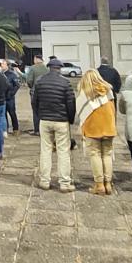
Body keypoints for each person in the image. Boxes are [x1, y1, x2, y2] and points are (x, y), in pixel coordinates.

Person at [31, 57, 76, 192]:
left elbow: (34, 101)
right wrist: (70, 119)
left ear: (49, 68)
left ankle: (44, 180)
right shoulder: (65, 83)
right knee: (63, 151)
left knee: (45, 150)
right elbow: (70, 103)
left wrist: (39, 115)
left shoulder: (40, 82)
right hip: (61, 120)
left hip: (45, 120)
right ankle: (64, 182)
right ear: (60, 68)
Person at [76, 69, 116, 195]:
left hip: (93, 128)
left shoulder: (84, 94)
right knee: (107, 154)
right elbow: (113, 110)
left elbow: (81, 113)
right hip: (108, 127)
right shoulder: (108, 91)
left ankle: (99, 185)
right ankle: (108, 183)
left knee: (95, 154)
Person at [24, 55, 47, 135]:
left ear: (37, 59)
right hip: (45, 92)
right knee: (43, 111)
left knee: (35, 111)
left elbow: (29, 80)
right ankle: (43, 130)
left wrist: (31, 87)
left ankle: (37, 130)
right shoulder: (46, 68)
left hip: (35, 92)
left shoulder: (33, 68)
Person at [0, 59, 22, 134]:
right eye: (1, 64)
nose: (1, 65)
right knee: (3, 114)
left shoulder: (12, 74)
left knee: (12, 113)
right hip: (2, 98)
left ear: (7, 65)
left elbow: (17, 85)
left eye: (3, 64)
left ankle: (16, 129)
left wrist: (11, 93)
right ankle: (5, 128)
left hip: (10, 98)